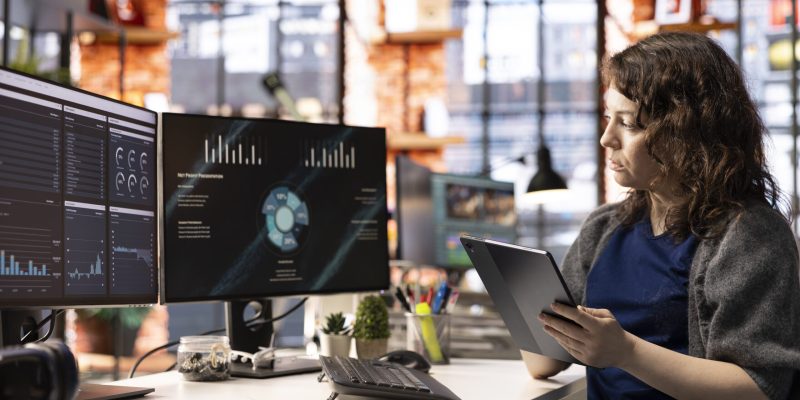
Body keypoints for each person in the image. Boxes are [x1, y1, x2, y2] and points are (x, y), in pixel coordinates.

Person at [528, 31, 800, 399]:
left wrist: (626, 352)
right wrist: (522, 299)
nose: (607, 138)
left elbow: (760, 387)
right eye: (609, 118)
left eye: (628, 123)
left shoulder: (750, 234)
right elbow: (544, 363)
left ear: (688, 132)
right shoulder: (604, 227)